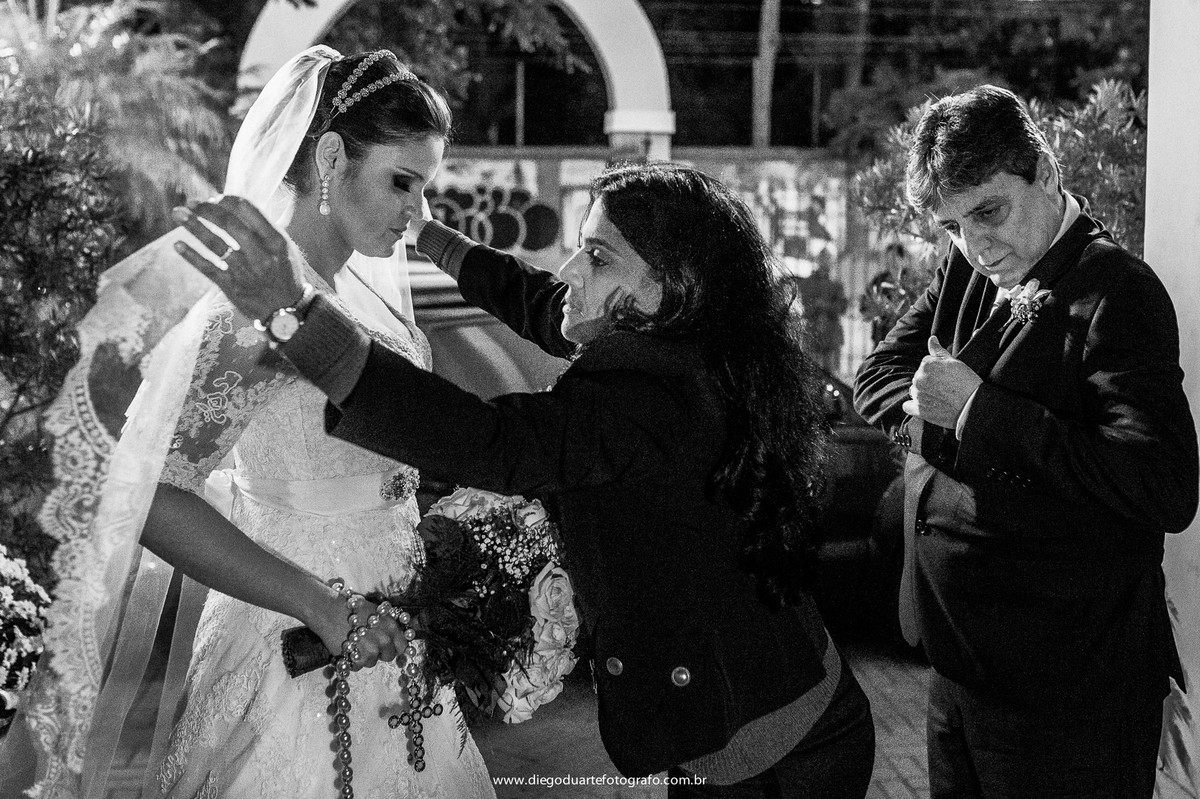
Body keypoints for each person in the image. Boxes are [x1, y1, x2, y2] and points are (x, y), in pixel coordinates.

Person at [174, 162, 876, 797]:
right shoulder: (693, 338)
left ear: (670, 288)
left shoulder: (651, 397)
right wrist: (433, 238)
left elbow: (489, 441)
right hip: (770, 703)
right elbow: (543, 302)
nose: (569, 268)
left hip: (773, 756)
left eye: (597, 255)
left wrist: (299, 315)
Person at [0, 47, 494, 799]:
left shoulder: (363, 294)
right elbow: (153, 493)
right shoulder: (254, 308)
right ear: (331, 157)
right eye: (403, 182)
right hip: (297, 644)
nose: (416, 213)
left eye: (425, 188)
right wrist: (321, 606)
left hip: (399, 632)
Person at [852, 84, 1198, 798]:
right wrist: (936, 429)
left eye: (989, 212)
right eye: (951, 226)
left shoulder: (1119, 290)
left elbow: (1161, 484)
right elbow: (878, 375)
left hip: (1069, 691)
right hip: (960, 670)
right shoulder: (965, 268)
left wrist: (978, 411)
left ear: (1043, 169)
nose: (975, 246)